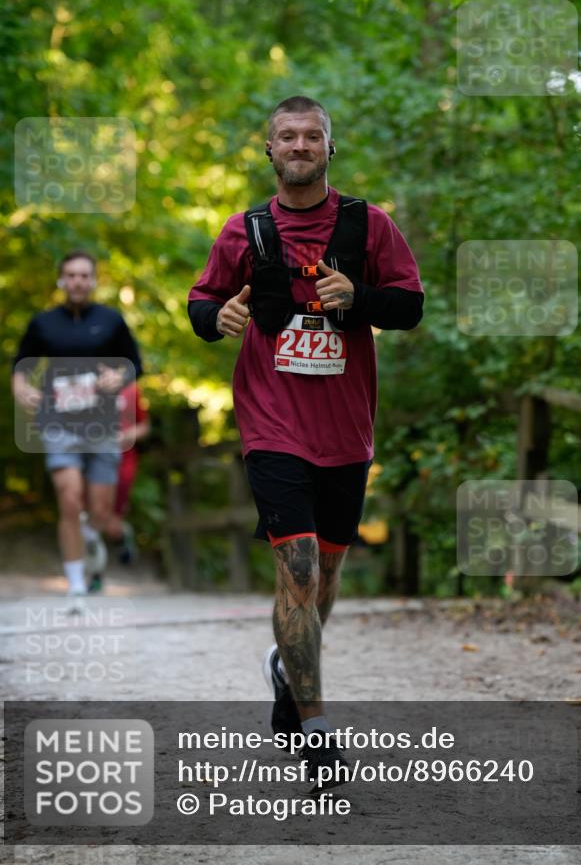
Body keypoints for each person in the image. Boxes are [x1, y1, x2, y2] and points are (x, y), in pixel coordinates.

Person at [187, 96, 423, 792]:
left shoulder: (367, 225)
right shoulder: (245, 230)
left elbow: (408, 305)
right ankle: (317, 731)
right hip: (271, 423)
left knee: (325, 575)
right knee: (297, 571)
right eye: (286, 136)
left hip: (346, 428)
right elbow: (201, 303)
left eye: (310, 136)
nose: (299, 145)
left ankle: (286, 673)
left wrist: (361, 298)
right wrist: (216, 315)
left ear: (329, 146)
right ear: (269, 149)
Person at [11, 251, 143, 610]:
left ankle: (99, 535)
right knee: (69, 498)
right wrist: (20, 385)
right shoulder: (43, 324)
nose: (77, 281)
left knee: (99, 511)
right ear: (61, 280)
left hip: (102, 424)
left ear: (94, 280)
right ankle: (76, 586)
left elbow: (135, 364)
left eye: (84, 275)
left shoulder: (111, 321)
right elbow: (21, 363)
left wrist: (120, 375)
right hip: (58, 422)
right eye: (70, 275)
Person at [85, 382, 151, 592]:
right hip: (91, 459)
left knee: (110, 521)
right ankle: (95, 574)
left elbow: (144, 426)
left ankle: (121, 534)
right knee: (91, 519)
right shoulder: (84, 385)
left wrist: (125, 436)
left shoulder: (130, 389)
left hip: (123, 461)